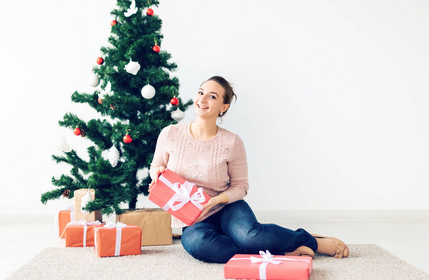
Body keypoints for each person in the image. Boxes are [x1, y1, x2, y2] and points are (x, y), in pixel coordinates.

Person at [149, 76, 349, 263]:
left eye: (212, 96)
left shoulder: (231, 142)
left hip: (227, 206)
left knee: (251, 236)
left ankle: (310, 240)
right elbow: (156, 166)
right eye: (201, 92)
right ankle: (279, 251)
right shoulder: (171, 134)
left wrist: (216, 200)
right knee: (198, 244)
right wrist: (156, 172)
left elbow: (241, 186)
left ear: (223, 107)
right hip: (195, 217)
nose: (203, 99)